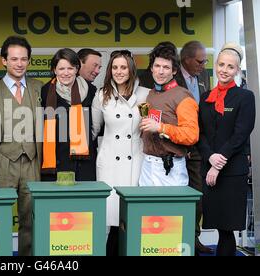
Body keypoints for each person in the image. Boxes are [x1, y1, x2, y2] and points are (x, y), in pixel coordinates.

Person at [0, 36, 43, 256]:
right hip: (2, 160)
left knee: (30, 220)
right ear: (4, 61)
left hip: (32, 161)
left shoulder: (41, 89)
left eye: (24, 59)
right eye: (14, 59)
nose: (19, 64)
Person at [197, 43, 255, 256]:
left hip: (231, 172)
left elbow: (240, 134)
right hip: (210, 170)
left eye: (230, 67)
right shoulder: (205, 99)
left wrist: (218, 163)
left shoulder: (245, 97)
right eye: (221, 64)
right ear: (216, 65)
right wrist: (210, 157)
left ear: (237, 70)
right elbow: (200, 134)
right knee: (218, 225)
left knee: (227, 230)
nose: (224, 69)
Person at [91, 49, 149, 256]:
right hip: (110, 163)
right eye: (114, 67)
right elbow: (94, 130)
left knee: (132, 216)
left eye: (123, 67)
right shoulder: (101, 95)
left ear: (131, 69)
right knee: (113, 220)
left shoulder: (145, 94)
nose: (119, 71)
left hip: (136, 159)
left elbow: (149, 128)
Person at [139, 43, 199, 187]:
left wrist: (161, 127)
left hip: (171, 168)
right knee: (143, 210)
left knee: (171, 210)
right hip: (147, 165)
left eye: (166, 67)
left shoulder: (183, 96)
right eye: (157, 66)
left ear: (174, 71)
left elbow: (192, 135)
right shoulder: (151, 94)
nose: (160, 71)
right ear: (151, 68)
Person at [175, 41, 213, 254]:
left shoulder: (203, 77)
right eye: (200, 61)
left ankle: (193, 238)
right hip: (176, 146)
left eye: (205, 61)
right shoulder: (172, 77)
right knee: (176, 196)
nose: (203, 65)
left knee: (197, 195)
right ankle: (174, 238)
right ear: (186, 59)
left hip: (198, 146)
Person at [41, 48, 97, 181]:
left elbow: (96, 126)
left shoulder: (91, 91)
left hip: (84, 164)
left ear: (77, 69)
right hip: (56, 165)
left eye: (70, 68)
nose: (66, 73)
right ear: (55, 70)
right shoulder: (45, 92)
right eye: (61, 69)